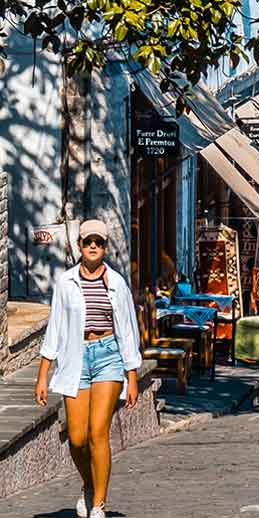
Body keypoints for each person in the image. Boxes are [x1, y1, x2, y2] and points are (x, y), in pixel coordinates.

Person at [34, 218, 142, 518]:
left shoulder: (117, 283)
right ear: (79, 246)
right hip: (75, 359)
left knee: (98, 432)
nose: (93, 246)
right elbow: (55, 327)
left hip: (108, 356)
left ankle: (99, 504)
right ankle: (89, 484)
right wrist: (43, 375)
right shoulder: (66, 282)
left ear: (105, 247)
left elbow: (128, 331)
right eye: (88, 241)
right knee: (77, 437)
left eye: (99, 242)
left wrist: (132, 376)